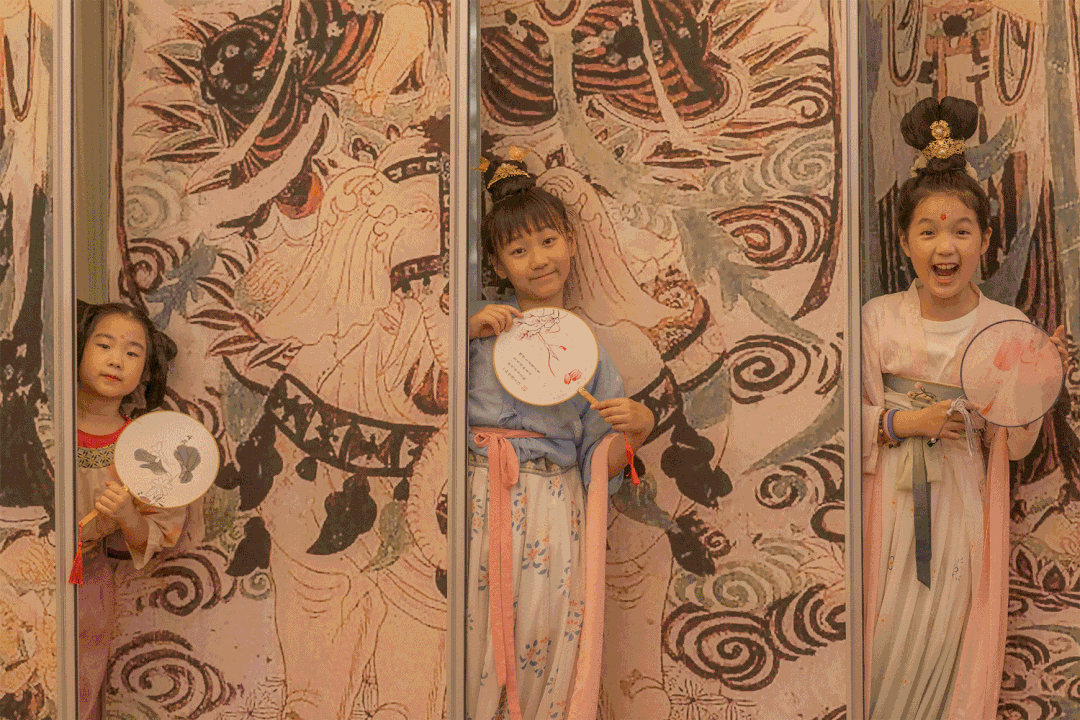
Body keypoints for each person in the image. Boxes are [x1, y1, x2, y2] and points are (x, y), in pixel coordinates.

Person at [861, 97, 1069, 720]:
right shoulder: (877, 320)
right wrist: (903, 421)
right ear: (905, 241)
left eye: (960, 230)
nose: (943, 246)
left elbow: (1019, 444)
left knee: (948, 638)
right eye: (927, 231)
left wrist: (1039, 378)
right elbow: (838, 423)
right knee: (880, 640)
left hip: (960, 500)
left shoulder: (1007, 325)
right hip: (887, 502)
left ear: (985, 239)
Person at [466, 152, 655, 720]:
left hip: (553, 503)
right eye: (518, 250)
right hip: (480, 495)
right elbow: (425, 398)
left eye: (548, 241)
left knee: (544, 631)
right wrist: (464, 333)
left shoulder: (589, 351)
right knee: (475, 633)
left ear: (570, 242)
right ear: (499, 264)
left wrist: (637, 430)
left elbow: (602, 463)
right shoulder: (477, 334)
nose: (539, 259)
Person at [75, 301, 185, 720]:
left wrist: (127, 516)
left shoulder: (145, 450)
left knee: (79, 689)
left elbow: (156, 537)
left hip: (87, 583)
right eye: (104, 345)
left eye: (132, 352)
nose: (116, 360)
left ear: (147, 371)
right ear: (79, 349)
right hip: (17, 569)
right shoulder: (34, 420)